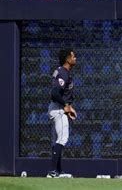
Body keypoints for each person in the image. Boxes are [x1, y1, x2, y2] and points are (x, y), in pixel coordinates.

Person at [46, 48, 77, 178]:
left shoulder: (62, 71)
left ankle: (58, 171)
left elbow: (60, 93)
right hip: (58, 109)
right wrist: (65, 106)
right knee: (62, 139)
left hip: (57, 108)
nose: (75, 58)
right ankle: (52, 171)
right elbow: (54, 92)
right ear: (67, 59)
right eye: (73, 56)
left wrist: (69, 107)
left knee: (57, 141)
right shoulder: (63, 73)